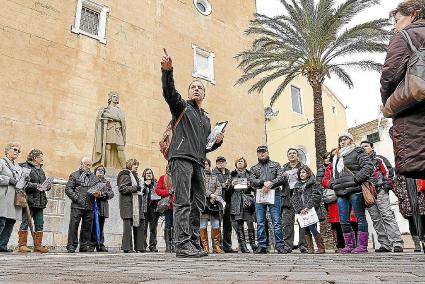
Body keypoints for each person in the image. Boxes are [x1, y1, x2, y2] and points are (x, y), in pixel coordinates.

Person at [161, 49, 224, 258]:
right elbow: (169, 93)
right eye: (193, 87)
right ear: (189, 93)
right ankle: (181, 244)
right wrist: (167, 71)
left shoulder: (205, 119)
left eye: (200, 88)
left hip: (198, 162)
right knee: (182, 201)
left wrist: (216, 144)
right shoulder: (181, 108)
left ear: (204, 94)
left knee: (198, 203)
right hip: (180, 158)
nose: (196, 90)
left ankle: (193, 242)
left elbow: (205, 146)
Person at [380, 0, 425, 179]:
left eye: (397, 20)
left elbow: (390, 75)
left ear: (413, 14)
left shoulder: (405, 36)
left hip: (416, 122)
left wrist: (388, 103)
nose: (395, 27)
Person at [331, 133, 374, 254]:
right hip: (340, 191)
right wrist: (333, 184)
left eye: (345, 139)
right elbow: (333, 174)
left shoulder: (357, 151)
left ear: (351, 140)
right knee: (343, 220)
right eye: (340, 140)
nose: (342, 141)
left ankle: (362, 246)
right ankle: (349, 245)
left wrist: (357, 179)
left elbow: (368, 166)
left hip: (355, 190)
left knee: (360, 218)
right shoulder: (337, 156)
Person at [360, 141, 404, 253]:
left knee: (387, 216)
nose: (364, 148)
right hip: (368, 194)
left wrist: (385, 186)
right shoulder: (360, 164)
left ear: (371, 147)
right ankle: (385, 244)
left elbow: (389, 172)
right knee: (376, 220)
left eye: (366, 146)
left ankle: (397, 243)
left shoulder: (379, 159)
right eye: (362, 147)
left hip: (380, 191)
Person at [250, 145, 286, 254]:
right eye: (260, 152)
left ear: (267, 153)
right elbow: (251, 180)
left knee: (276, 221)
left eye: (264, 152)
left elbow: (281, 177)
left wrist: (271, 183)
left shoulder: (276, 165)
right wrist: (262, 183)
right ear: (257, 154)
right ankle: (262, 245)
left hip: (274, 194)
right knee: (260, 222)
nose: (262, 154)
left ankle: (280, 245)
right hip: (260, 195)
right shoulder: (254, 168)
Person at [65, 157, 101, 253]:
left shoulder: (95, 178)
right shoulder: (74, 175)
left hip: (89, 205)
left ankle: (84, 245)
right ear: (82, 164)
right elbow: (68, 189)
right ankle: (71, 245)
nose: (88, 167)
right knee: (73, 226)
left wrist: (98, 194)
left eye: (90, 165)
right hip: (77, 205)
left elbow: (100, 190)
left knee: (87, 227)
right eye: (86, 164)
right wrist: (77, 198)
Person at [19, 149, 50, 253]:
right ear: (34, 157)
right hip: (30, 200)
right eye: (40, 156)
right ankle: (22, 245)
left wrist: (47, 186)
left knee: (40, 223)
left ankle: (38, 246)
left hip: (40, 201)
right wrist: (36, 186)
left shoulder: (41, 170)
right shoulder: (25, 167)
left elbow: (44, 182)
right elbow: (24, 183)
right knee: (25, 222)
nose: (42, 158)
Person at [292, 165, 327, 254]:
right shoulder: (297, 185)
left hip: (312, 210)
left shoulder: (315, 184)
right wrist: (300, 209)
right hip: (302, 212)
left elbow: (316, 196)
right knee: (306, 229)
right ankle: (310, 248)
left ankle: (321, 247)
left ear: (308, 173)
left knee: (313, 227)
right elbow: (294, 198)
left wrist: (308, 206)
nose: (301, 174)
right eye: (300, 172)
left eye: (303, 172)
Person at [281, 148, 307, 253]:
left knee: (302, 222)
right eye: (290, 153)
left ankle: (303, 245)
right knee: (287, 223)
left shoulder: (303, 167)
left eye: (294, 153)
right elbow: (278, 181)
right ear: (288, 156)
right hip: (287, 198)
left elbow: (311, 179)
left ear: (298, 156)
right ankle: (288, 245)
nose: (292, 155)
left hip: (301, 198)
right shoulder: (283, 168)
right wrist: (282, 177)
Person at [229, 157, 257, 253]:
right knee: (239, 224)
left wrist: (250, 185)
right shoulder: (232, 174)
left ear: (245, 163)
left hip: (247, 201)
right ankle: (243, 246)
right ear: (236, 163)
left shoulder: (249, 174)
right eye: (238, 161)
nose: (240, 163)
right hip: (236, 201)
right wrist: (231, 184)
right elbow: (225, 186)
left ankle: (253, 245)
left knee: (250, 223)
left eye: (242, 161)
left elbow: (255, 186)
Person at [92, 91, 127, 169]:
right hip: (109, 128)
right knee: (108, 146)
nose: (116, 98)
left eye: (117, 97)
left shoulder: (119, 110)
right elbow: (102, 115)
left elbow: (121, 119)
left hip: (118, 129)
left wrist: (112, 117)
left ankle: (124, 168)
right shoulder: (105, 109)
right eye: (114, 96)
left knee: (120, 147)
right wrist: (110, 116)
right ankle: (108, 166)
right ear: (110, 98)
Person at [117, 158, 145, 253]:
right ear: (129, 165)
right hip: (128, 205)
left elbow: (138, 189)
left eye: (137, 165)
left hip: (136, 204)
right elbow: (122, 189)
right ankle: (127, 248)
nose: (136, 166)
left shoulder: (136, 176)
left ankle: (140, 247)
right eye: (134, 165)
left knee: (140, 224)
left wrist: (143, 189)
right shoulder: (125, 175)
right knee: (128, 227)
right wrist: (135, 188)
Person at [320, 149, 345, 252]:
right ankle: (340, 244)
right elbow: (323, 180)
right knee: (336, 222)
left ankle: (353, 243)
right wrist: (333, 185)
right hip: (332, 196)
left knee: (349, 220)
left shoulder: (344, 164)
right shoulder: (327, 169)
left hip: (346, 192)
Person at [0, 143, 24, 252]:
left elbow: (20, 181)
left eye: (19, 151)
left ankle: (2, 245)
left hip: (15, 197)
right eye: (15, 149)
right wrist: (8, 180)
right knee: (1, 221)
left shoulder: (18, 167)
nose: (17, 152)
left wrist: (24, 181)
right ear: (7, 150)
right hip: (3, 196)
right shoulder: (1, 162)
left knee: (10, 222)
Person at [393, 176, 425, 252]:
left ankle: (422, 242)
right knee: (412, 222)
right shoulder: (400, 175)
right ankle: (417, 244)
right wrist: (402, 196)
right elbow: (396, 187)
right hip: (408, 202)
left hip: (421, 200)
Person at [211, 156, 235, 253]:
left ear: (225, 163)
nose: (221, 163)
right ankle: (218, 246)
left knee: (228, 225)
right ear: (216, 163)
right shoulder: (214, 173)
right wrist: (223, 185)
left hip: (229, 201)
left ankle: (227, 246)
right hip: (218, 202)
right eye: (219, 162)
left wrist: (232, 185)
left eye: (222, 162)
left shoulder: (230, 173)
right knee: (217, 224)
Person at [200, 159, 224, 254]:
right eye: (203, 164)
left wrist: (214, 196)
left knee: (216, 224)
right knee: (202, 225)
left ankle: (216, 246)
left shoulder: (215, 176)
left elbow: (219, 187)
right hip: (203, 203)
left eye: (206, 164)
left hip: (214, 203)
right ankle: (205, 247)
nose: (205, 165)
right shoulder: (199, 176)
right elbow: (200, 188)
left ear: (209, 165)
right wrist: (210, 194)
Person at [91, 165, 114, 252]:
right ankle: (92, 244)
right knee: (92, 226)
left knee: (100, 226)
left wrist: (102, 194)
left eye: (102, 170)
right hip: (92, 206)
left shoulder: (106, 182)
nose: (100, 171)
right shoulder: (92, 181)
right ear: (95, 172)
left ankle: (100, 244)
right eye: (98, 170)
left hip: (102, 206)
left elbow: (111, 193)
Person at [155, 170, 175, 253]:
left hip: (178, 205)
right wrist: (168, 192)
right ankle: (168, 245)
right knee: (168, 225)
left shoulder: (178, 177)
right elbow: (158, 190)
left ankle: (174, 244)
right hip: (168, 205)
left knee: (176, 225)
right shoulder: (163, 178)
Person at [142, 168, 160, 252]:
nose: (148, 174)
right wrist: (145, 187)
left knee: (153, 228)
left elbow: (158, 194)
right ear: (144, 175)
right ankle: (143, 245)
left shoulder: (155, 184)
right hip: (144, 208)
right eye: (147, 173)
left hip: (153, 208)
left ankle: (153, 245)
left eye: (150, 173)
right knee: (144, 228)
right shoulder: (142, 183)